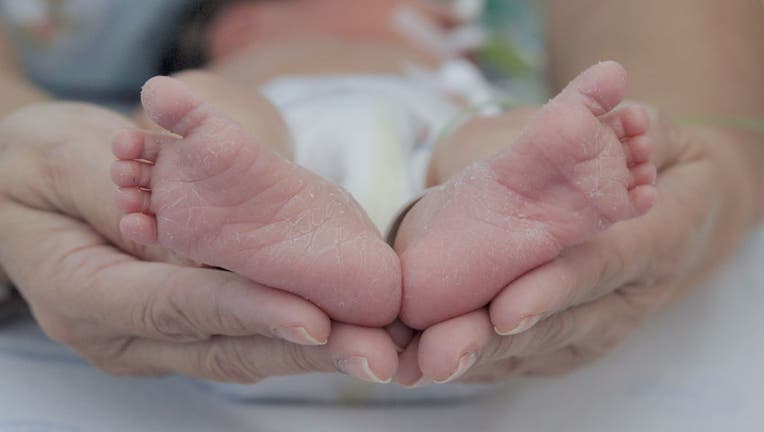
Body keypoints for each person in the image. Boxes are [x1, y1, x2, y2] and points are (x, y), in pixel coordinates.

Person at [0, 0, 762, 390]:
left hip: (426, 139)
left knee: (505, 140)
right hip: (272, 148)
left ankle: (470, 231)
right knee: (197, 113)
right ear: (235, 21)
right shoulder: (239, 52)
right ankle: (277, 226)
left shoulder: (475, 50)